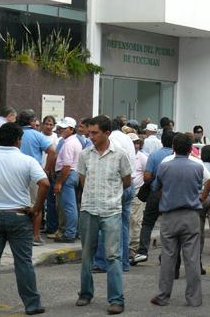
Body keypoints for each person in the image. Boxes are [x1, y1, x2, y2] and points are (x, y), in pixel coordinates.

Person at [0, 122, 49, 316]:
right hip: (19, 215)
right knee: (23, 262)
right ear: (18, 140)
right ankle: (32, 305)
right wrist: (36, 208)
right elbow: (44, 183)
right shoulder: (27, 161)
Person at [76, 115, 132, 315]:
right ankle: (85, 293)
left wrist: (110, 196)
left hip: (111, 211)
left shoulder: (120, 155)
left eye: (94, 133)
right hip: (89, 210)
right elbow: (82, 179)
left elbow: (126, 181)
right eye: (89, 132)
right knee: (87, 255)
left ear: (107, 133)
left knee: (112, 256)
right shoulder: (84, 154)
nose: (90, 136)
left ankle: (116, 299)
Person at [150, 133, 210, 308]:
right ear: (191, 147)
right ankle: (194, 298)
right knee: (192, 258)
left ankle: (163, 296)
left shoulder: (164, 166)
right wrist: (199, 199)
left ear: (173, 147)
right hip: (191, 214)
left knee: (168, 257)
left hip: (170, 215)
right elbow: (204, 183)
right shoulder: (197, 167)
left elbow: (156, 188)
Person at [93, 118, 136, 272]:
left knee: (104, 224)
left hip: (116, 186)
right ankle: (124, 262)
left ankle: (102, 262)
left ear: (106, 131)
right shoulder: (127, 139)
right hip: (129, 185)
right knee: (123, 226)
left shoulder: (110, 141)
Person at [134, 130, 175, 264]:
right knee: (169, 225)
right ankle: (166, 253)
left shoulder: (154, 155)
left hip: (155, 193)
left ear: (162, 141)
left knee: (147, 223)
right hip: (171, 195)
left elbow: (146, 177)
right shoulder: (176, 156)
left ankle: (142, 251)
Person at [17, 109, 56, 247]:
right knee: (36, 205)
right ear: (31, 121)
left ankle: (18, 235)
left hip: (16, 173)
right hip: (34, 174)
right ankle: (35, 236)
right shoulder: (37, 135)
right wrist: (45, 169)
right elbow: (52, 152)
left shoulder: (16, 133)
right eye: (35, 121)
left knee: (18, 204)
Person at [52, 117, 82, 243]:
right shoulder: (71, 141)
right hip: (71, 174)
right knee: (71, 206)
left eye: (63, 128)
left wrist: (59, 182)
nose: (60, 130)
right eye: (60, 128)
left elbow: (66, 166)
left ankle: (70, 234)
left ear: (71, 129)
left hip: (68, 175)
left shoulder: (69, 143)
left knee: (69, 207)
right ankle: (72, 232)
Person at [128, 133, 148, 258]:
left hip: (137, 194)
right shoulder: (124, 156)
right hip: (124, 194)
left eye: (137, 143)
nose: (135, 145)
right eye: (133, 143)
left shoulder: (142, 157)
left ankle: (133, 248)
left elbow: (148, 174)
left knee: (135, 221)